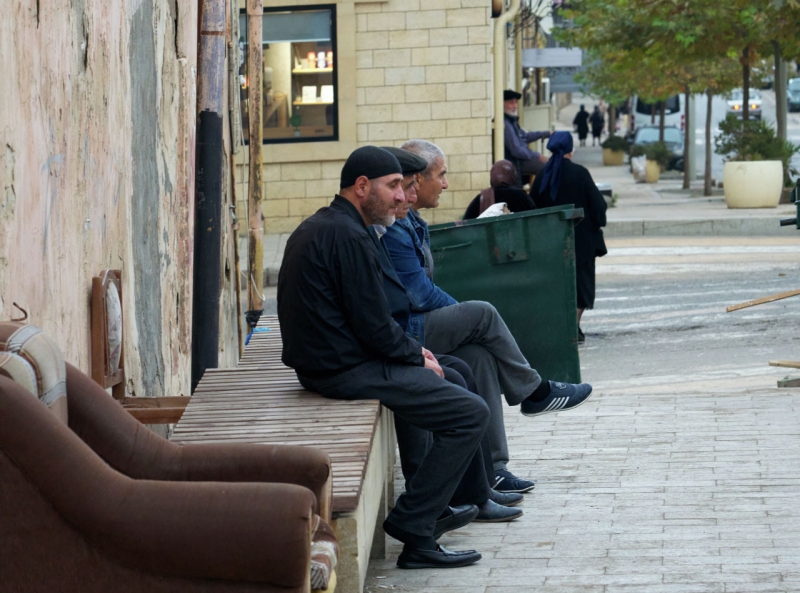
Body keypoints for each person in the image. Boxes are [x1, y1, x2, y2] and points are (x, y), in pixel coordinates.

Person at [278, 146, 488, 569]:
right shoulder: (349, 235)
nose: (400, 197)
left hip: (335, 362)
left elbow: (369, 322)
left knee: (452, 378)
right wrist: (413, 355)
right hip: (340, 371)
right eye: (392, 186)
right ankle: (415, 525)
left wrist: (414, 352)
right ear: (361, 187)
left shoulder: (333, 225)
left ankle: (440, 506)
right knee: (470, 413)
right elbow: (374, 327)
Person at [383, 139, 594, 493]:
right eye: (441, 175)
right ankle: (535, 391)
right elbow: (418, 294)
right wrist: (460, 312)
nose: (446, 183)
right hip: (405, 332)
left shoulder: (411, 222)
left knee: (478, 356)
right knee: (481, 314)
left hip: (415, 326)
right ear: (415, 181)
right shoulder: (394, 230)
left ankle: (492, 469)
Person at [529, 132, 607, 343]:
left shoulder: (543, 175)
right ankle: (573, 325)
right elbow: (598, 206)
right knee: (582, 285)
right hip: (581, 242)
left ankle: (565, 326)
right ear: (570, 150)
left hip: (550, 243)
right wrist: (598, 222)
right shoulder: (580, 174)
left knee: (557, 285)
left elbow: (532, 207)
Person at [502, 89, 552, 186]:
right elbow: (516, 150)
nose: (515, 106)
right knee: (545, 167)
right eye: (511, 103)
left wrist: (545, 134)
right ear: (503, 104)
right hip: (515, 162)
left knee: (548, 164)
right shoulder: (505, 124)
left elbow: (524, 136)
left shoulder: (512, 121)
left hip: (520, 160)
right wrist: (537, 155)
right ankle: (538, 197)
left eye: (516, 103)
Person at [463, 160, 536, 220]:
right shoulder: (521, 196)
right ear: (513, 175)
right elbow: (535, 219)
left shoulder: (481, 198)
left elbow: (466, 225)